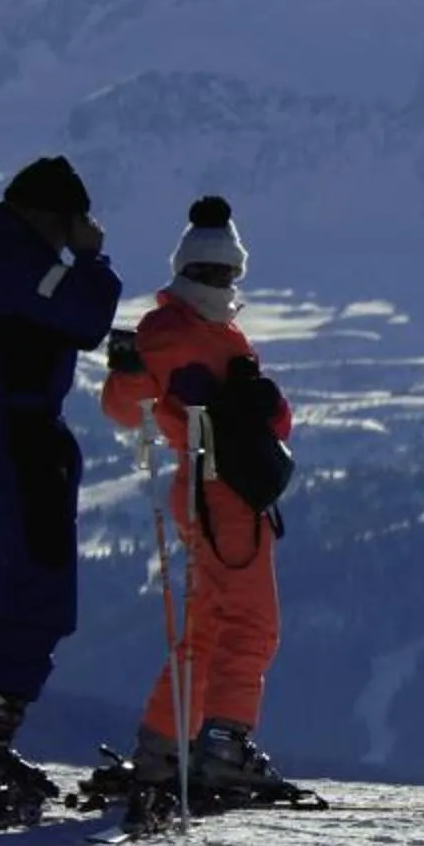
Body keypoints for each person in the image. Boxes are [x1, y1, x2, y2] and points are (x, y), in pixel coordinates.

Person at [0, 155, 123, 804]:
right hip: (20, 441)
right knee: (40, 600)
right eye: (69, 225)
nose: (72, 238)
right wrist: (94, 261)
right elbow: (86, 316)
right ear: (45, 214)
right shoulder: (12, 258)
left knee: (18, 595)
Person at [102, 195, 297, 810]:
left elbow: (277, 423)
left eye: (227, 274)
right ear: (187, 271)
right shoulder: (197, 332)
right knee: (251, 624)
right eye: (211, 274)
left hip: (212, 486)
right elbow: (123, 406)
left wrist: (266, 406)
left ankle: (167, 748)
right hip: (222, 492)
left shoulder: (198, 331)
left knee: (211, 625)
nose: (221, 283)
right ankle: (221, 746)